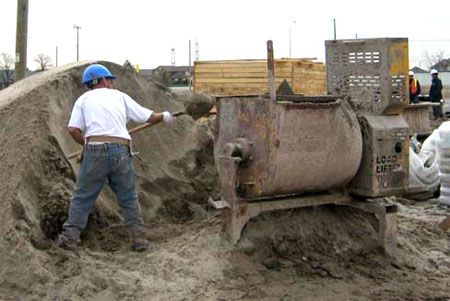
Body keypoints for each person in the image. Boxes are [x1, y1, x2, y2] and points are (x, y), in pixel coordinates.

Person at [58, 63, 174, 252]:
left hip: (95, 151)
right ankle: (139, 240)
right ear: (104, 80)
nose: (111, 83)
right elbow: (150, 117)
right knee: (128, 197)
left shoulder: (83, 99)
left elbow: (73, 129)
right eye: (110, 80)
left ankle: (69, 238)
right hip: (120, 150)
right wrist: (165, 116)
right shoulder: (120, 97)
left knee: (82, 197)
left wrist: (85, 145)